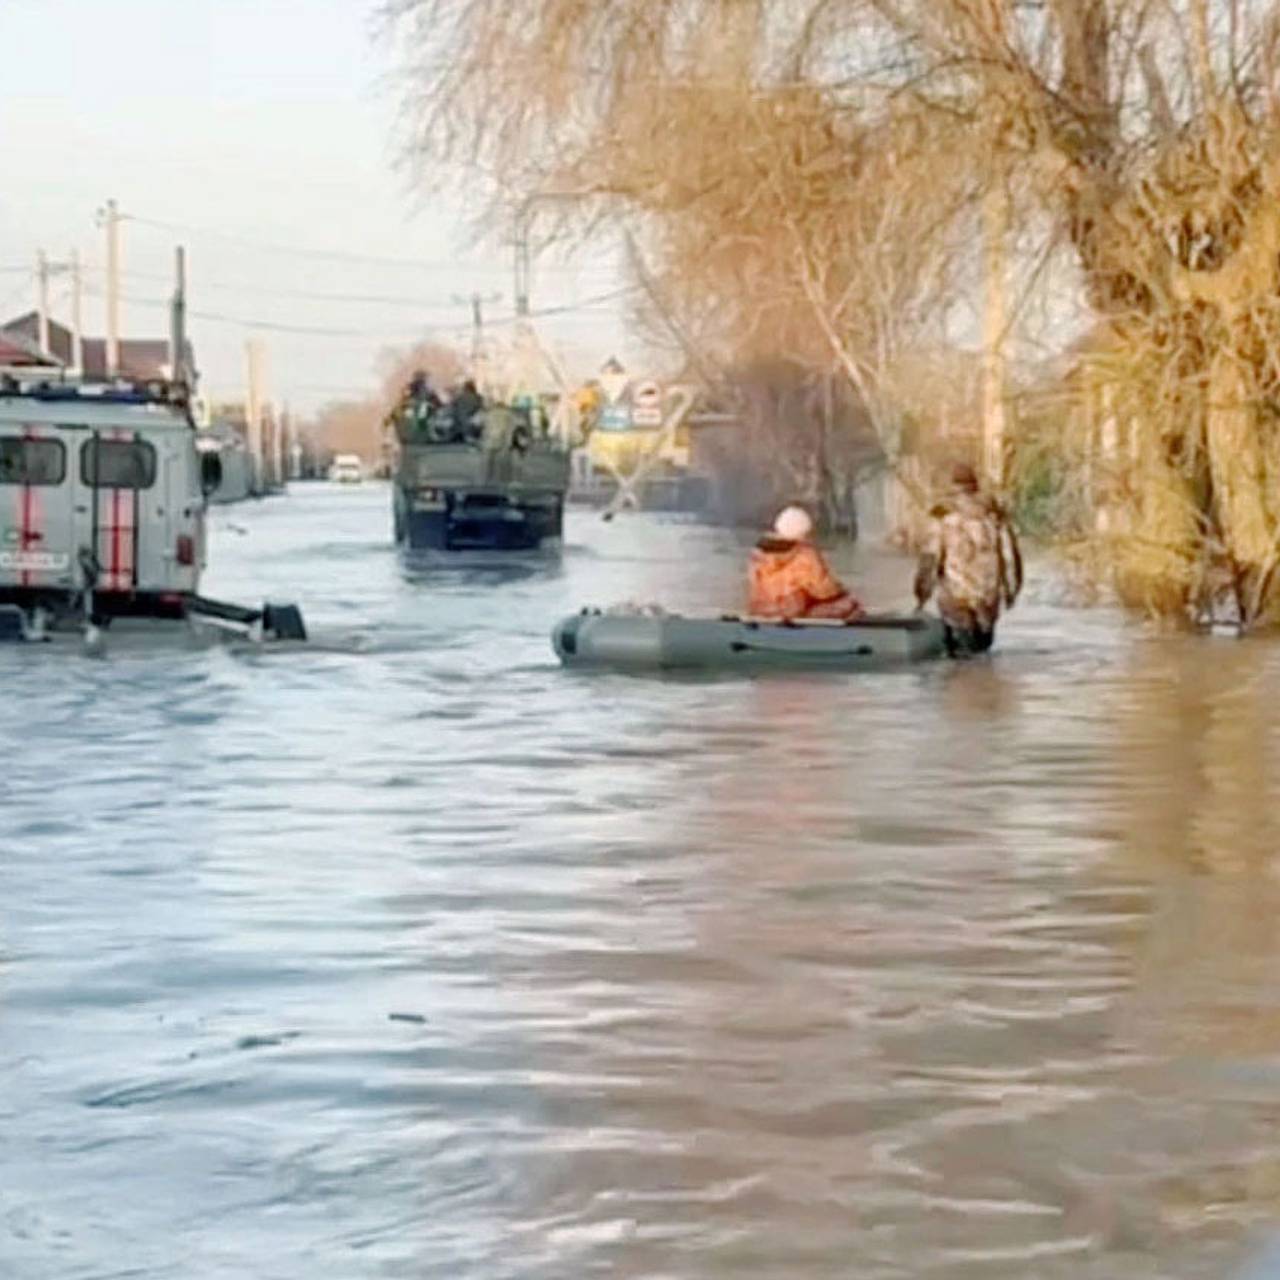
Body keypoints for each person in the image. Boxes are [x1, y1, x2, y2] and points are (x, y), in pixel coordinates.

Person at [914, 462, 1022, 656]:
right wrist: (1011, 591)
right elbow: (1010, 556)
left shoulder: (943, 514)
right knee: (982, 653)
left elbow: (930, 558)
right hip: (988, 595)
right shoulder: (994, 514)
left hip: (955, 595)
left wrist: (922, 594)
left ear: (953, 485)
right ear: (975, 485)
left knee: (960, 660)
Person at [747, 505, 863, 620]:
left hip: (766, 610)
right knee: (849, 605)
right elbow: (824, 590)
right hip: (798, 612)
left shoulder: (758, 556)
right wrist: (841, 594)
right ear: (806, 532)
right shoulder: (805, 554)